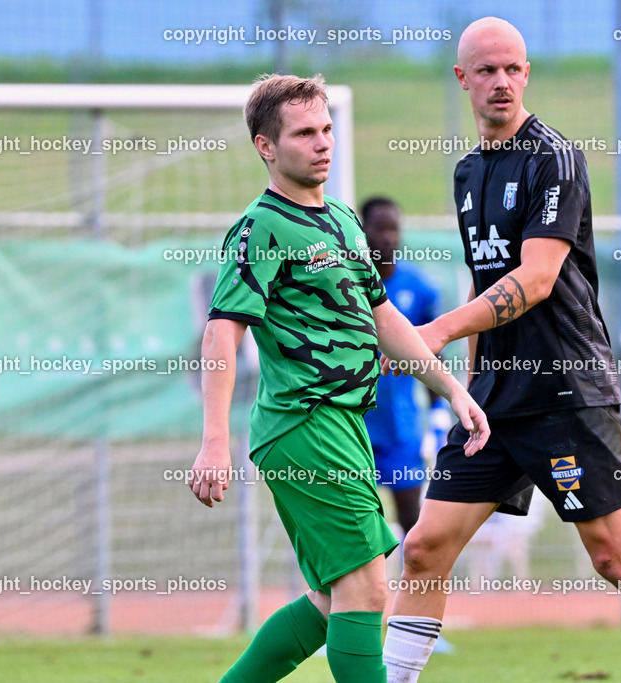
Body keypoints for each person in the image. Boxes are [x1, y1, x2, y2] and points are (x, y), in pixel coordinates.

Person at [381, 18, 621, 683]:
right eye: (487, 70)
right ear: (463, 79)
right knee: (423, 549)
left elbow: (535, 280)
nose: (501, 82)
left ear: (527, 73)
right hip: (493, 402)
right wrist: (465, 389)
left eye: (513, 68)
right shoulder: (468, 172)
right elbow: (485, 281)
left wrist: (436, 332)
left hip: (566, 391)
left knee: (617, 558)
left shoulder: (554, 159)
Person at [187, 73, 489, 683]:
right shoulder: (262, 227)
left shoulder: (345, 220)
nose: (323, 142)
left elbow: (385, 319)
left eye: (326, 129)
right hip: (305, 424)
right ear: (266, 147)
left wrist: (453, 389)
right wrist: (214, 440)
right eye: (304, 133)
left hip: (343, 426)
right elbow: (221, 334)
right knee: (367, 587)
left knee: (333, 600)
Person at [360, 196, 441, 535]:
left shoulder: (419, 288)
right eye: (379, 229)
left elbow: (433, 355)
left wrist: (438, 415)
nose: (387, 237)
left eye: (393, 229)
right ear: (362, 231)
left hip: (401, 429)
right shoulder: (345, 285)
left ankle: (413, 573)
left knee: (413, 524)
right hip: (354, 428)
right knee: (358, 527)